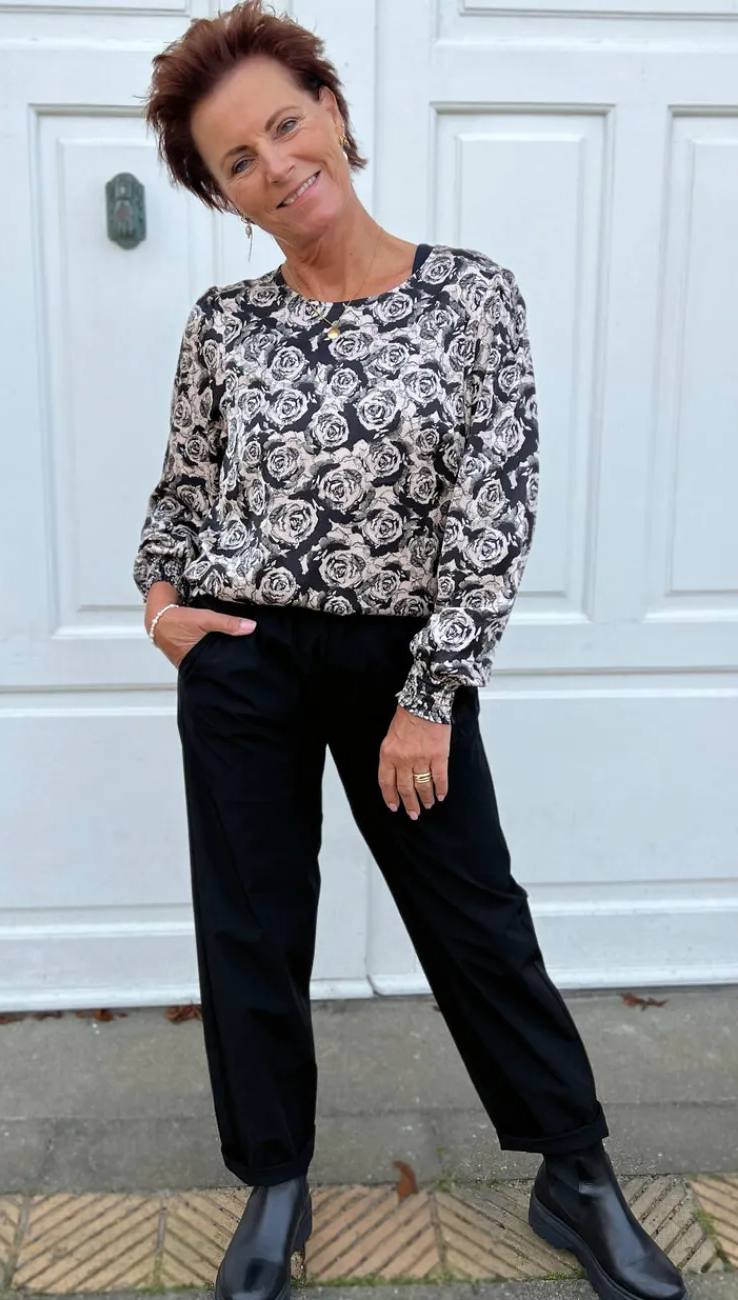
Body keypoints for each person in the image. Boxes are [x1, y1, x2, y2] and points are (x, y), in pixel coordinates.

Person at [133, 5, 684, 1299]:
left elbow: (495, 507)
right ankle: (276, 1181)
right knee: (252, 927)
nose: (277, 165)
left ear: (332, 109)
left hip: (404, 665)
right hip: (245, 658)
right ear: (222, 194)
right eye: (238, 160)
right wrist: (163, 611)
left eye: (286, 124)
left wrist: (431, 694)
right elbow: (184, 490)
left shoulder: (473, 295)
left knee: (475, 918)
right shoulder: (223, 324)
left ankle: (574, 1173)